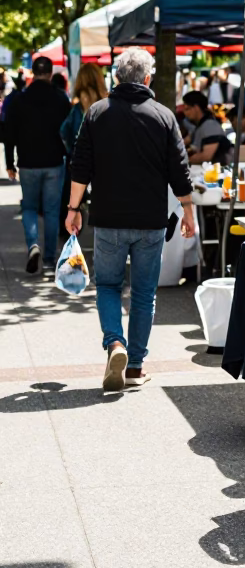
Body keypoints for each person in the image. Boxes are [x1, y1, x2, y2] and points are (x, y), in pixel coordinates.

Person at [66, 48, 195, 392]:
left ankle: (115, 344)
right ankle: (135, 366)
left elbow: (81, 167)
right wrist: (188, 211)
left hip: (108, 219)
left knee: (107, 286)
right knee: (143, 293)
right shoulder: (164, 116)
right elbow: (179, 171)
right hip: (150, 222)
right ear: (148, 79)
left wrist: (72, 210)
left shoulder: (96, 113)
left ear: (117, 78)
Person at [3, 54, 70, 276]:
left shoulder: (18, 99)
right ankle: (50, 260)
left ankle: (33, 244)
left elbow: (9, 133)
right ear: (51, 73)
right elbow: (68, 132)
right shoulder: (61, 98)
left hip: (28, 162)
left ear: (32, 72)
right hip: (53, 162)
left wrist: (10, 163)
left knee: (30, 207)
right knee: (51, 210)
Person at [61, 64, 108, 158]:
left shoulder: (76, 110)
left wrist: (72, 153)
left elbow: (64, 133)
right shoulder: (108, 107)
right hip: (104, 164)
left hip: (80, 163)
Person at [181, 91, 229, 165]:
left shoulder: (210, 125)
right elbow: (184, 143)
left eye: (187, 109)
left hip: (220, 171)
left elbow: (206, 156)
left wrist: (182, 161)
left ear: (196, 108)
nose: (185, 113)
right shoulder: (199, 125)